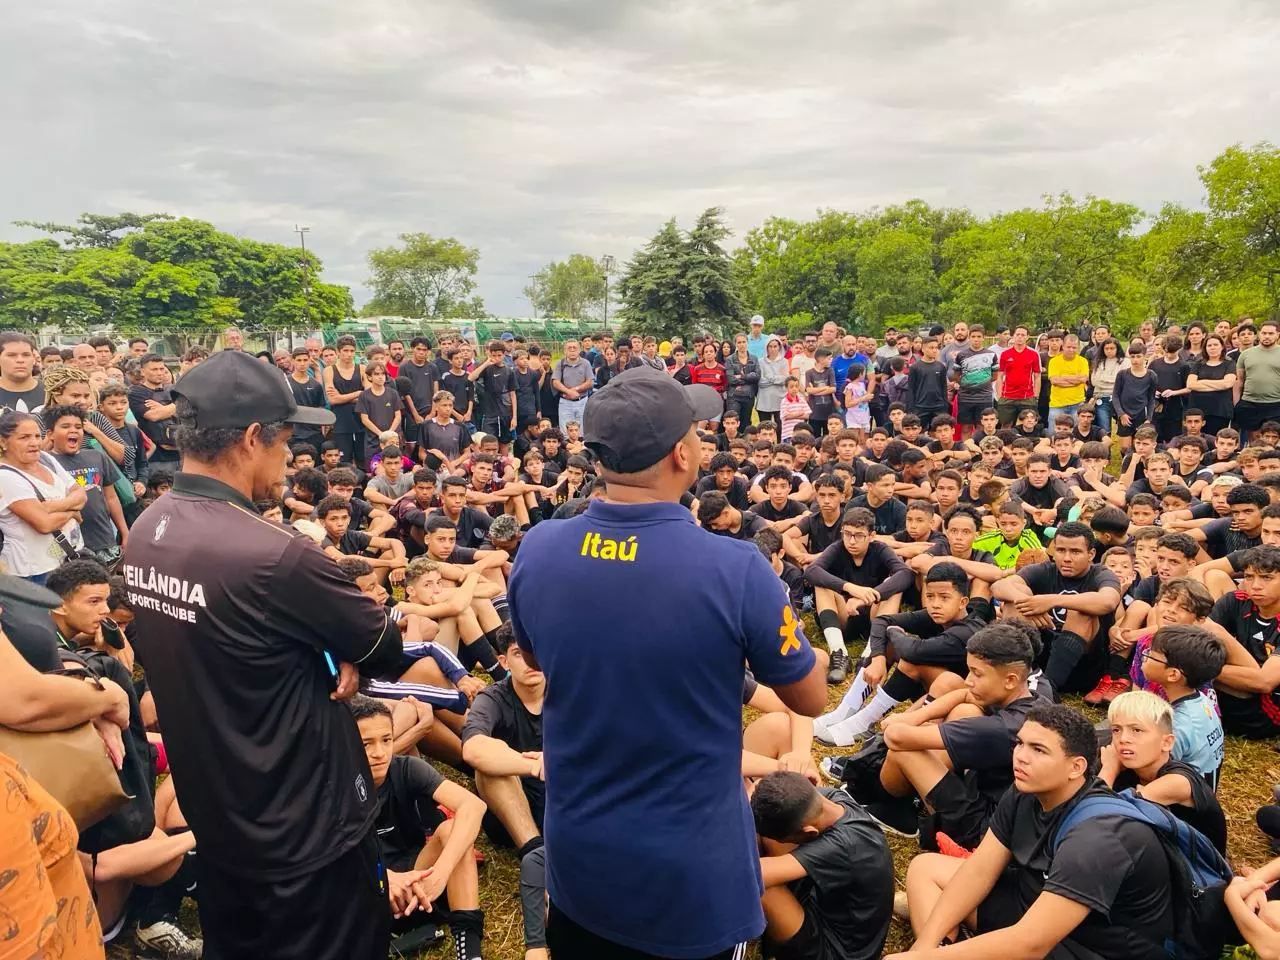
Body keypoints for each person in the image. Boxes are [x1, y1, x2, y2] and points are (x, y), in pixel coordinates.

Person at [508, 365, 826, 959]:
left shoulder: (541, 545)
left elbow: (534, 655)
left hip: (580, 854)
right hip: (690, 871)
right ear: (682, 453)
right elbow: (810, 697)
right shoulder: (735, 568)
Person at [122, 350, 406, 960]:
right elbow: (385, 645)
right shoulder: (275, 552)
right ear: (254, 438)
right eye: (286, 441)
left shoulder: (148, 529)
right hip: (306, 823)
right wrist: (338, 649)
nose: (288, 456)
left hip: (217, 808)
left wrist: (323, 647)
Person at [894, 704, 1175, 960]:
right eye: (1020, 744)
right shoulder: (1024, 791)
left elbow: (1031, 943)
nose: (1021, 757)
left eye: (1038, 750)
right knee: (925, 867)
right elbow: (978, 871)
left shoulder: (1100, 838)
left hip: (1088, 944)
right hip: (1033, 900)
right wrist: (925, 949)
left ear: (1076, 767)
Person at [349, 695, 488, 960]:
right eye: (367, 744)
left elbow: (473, 806)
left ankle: (470, 953)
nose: (380, 752)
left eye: (386, 740)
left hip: (418, 876)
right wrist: (387, 878)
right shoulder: (335, 783)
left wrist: (439, 875)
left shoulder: (406, 769)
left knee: (450, 830)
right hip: (364, 886)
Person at [750, 771, 894, 960]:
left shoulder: (845, 846)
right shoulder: (832, 800)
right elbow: (763, 790)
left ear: (810, 832)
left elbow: (750, 873)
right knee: (766, 830)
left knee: (762, 886)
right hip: (823, 904)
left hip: (837, 951)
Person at [0, 410, 87, 583]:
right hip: (33, 571)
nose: (33, 443)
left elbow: (81, 494)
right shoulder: (5, 476)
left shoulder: (46, 459)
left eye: (37, 436)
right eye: (24, 437)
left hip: (67, 559)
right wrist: (72, 512)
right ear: (3, 442)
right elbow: (44, 524)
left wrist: (49, 507)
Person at [128, 353, 181, 465]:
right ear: (142, 371)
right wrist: (179, 406)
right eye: (154, 369)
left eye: (161, 369)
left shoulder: (173, 390)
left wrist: (164, 409)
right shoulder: (136, 392)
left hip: (180, 453)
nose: (159, 372)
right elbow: (153, 415)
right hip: (155, 458)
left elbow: (191, 412)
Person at [1235, 319, 1280, 439]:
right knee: (1254, 442)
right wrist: (1236, 404)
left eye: (1271, 334)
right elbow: (1239, 381)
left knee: (1273, 440)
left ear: (1278, 335)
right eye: (1264, 333)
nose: (1267, 336)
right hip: (1250, 403)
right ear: (1259, 334)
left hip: (1275, 404)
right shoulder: (1246, 354)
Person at [995, 326, 1040, 427]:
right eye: (1017, 334)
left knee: (1026, 425)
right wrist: (999, 395)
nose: (1020, 337)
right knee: (1005, 425)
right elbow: (1000, 375)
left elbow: (1037, 376)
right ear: (1013, 336)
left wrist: (1036, 395)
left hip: (1027, 397)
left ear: (1027, 337)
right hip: (1007, 396)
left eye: (1023, 335)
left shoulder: (1033, 354)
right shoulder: (1005, 354)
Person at [550, 339, 594, 428]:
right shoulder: (560, 364)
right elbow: (555, 382)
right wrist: (568, 392)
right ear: (565, 351)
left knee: (582, 430)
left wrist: (575, 390)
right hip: (565, 403)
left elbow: (590, 382)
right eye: (569, 348)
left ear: (579, 350)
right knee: (565, 431)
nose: (572, 350)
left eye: (575, 348)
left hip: (582, 401)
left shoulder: (586, 363)